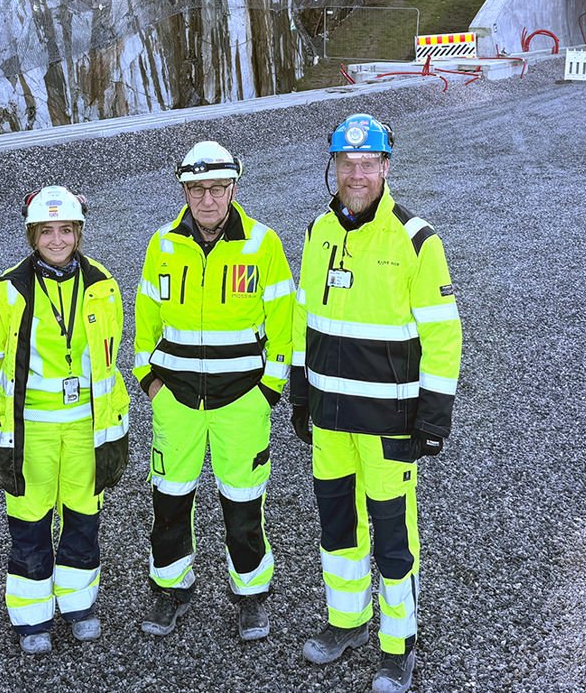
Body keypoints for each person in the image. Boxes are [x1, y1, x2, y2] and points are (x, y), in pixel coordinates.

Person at [289, 114, 462, 693]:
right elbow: (304, 317)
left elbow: (443, 335)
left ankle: (397, 643)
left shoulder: (416, 240)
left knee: (392, 539)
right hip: (331, 420)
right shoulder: (318, 231)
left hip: (390, 424)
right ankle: (347, 622)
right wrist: (300, 390)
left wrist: (433, 416)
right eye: (347, 163)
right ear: (334, 167)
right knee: (337, 529)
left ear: (386, 167)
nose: (356, 175)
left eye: (368, 164)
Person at [134, 140, 295, 641]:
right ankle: (171, 590)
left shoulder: (263, 244)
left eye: (217, 188)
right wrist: (150, 383)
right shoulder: (162, 244)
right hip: (176, 401)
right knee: (169, 501)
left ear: (234, 189)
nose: (207, 199)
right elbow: (145, 322)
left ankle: (250, 596)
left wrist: (268, 390)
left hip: (242, 402)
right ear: (185, 191)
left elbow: (284, 325)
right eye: (197, 189)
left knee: (244, 504)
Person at [0, 186, 130, 655]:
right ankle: (31, 617)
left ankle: (79, 606)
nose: (57, 240)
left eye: (66, 230)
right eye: (47, 231)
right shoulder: (6, 291)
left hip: (86, 427)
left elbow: (109, 354)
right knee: (30, 523)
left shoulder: (103, 284)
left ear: (79, 232)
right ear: (32, 235)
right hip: (31, 430)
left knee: (83, 519)